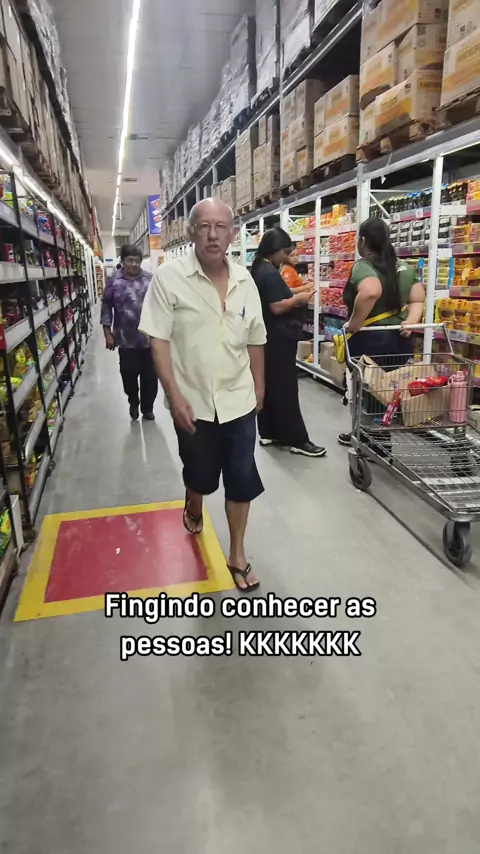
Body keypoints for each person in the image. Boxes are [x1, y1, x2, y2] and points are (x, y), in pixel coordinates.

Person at [139, 198, 266, 592]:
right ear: (191, 232)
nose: (213, 235)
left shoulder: (246, 281)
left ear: (233, 233)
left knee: (241, 476)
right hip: (192, 403)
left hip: (238, 400)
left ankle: (237, 554)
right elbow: (158, 340)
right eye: (205, 226)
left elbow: (256, 339)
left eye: (221, 226)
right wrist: (173, 395)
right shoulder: (169, 278)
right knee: (200, 473)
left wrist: (260, 388)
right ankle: (193, 500)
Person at [338, 217, 425, 446]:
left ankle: (373, 439)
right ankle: (374, 435)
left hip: (371, 341)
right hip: (399, 341)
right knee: (387, 389)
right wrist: (411, 322)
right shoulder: (404, 266)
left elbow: (370, 291)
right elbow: (417, 298)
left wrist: (354, 324)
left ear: (363, 240)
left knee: (367, 390)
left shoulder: (364, 266)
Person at [251, 227, 326, 457]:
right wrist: (299, 299)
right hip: (278, 337)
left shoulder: (258, 268)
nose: (285, 257)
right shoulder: (270, 273)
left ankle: (270, 431)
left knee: (271, 385)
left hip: (265, 337)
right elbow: (277, 306)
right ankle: (297, 439)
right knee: (286, 389)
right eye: (284, 252)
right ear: (275, 249)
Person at [100, 244, 158, 421]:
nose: (133, 264)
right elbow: (106, 307)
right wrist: (107, 334)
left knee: (150, 378)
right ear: (123, 261)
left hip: (149, 339)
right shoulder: (114, 282)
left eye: (137, 260)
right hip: (125, 340)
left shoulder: (150, 280)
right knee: (128, 375)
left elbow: (160, 305)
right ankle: (133, 401)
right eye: (130, 260)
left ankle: (147, 408)